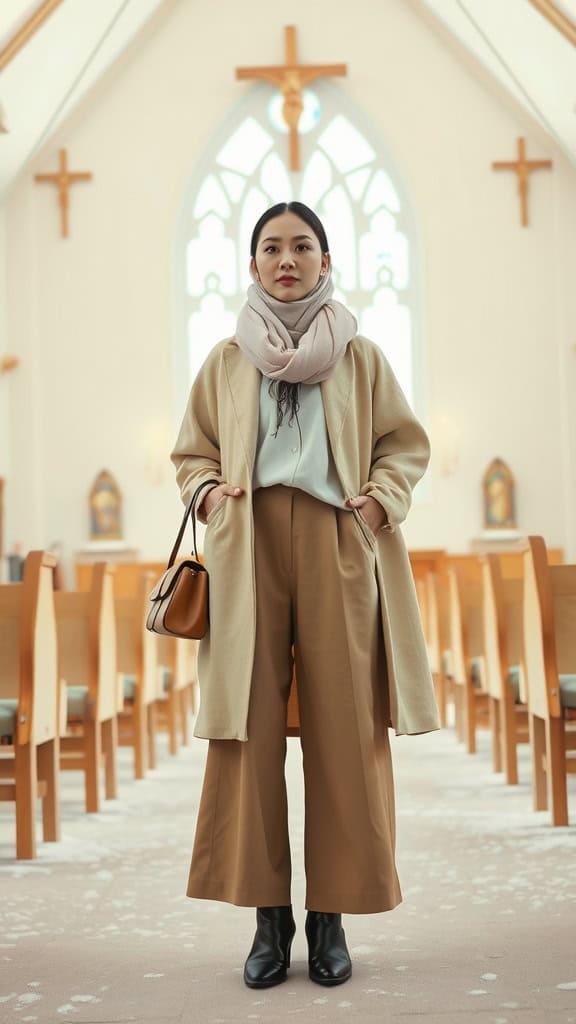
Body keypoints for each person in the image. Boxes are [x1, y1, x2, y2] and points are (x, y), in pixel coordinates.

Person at [171, 201, 439, 990]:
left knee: (347, 730)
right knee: (247, 735)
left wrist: (380, 498)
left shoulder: (361, 358)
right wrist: (211, 496)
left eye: (302, 246)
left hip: (337, 542)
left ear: (327, 260)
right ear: (251, 264)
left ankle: (331, 916)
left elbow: (404, 443)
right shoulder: (225, 362)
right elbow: (190, 451)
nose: (286, 259)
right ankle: (267, 920)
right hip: (246, 545)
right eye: (271, 247)